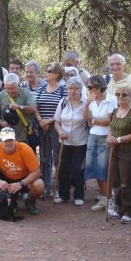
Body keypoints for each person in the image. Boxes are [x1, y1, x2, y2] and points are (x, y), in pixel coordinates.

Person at [0, 127, 45, 214]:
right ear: (1, 141)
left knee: (39, 185)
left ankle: (29, 201)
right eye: (5, 140)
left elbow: (37, 172)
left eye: (11, 140)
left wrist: (21, 183)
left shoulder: (25, 148)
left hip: (24, 178)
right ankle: (4, 198)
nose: (8, 143)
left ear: (15, 139)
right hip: (5, 177)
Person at [106, 86, 131, 223]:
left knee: (126, 182)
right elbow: (111, 128)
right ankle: (119, 207)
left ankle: (130, 210)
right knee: (115, 180)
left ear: (130, 96)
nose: (120, 96)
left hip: (128, 151)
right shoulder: (115, 111)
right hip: (114, 150)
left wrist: (118, 140)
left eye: (124, 94)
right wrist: (109, 137)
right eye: (118, 94)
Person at [83, 75, 117, 211]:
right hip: (93, 135)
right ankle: (104, 196)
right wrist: (86, 105)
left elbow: (109, 120)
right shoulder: (90, 100)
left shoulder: (111, 99)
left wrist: (93, 120)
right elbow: (86, 118)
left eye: (91, 87)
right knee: (94, 168)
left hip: (105, 136)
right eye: (88, 87)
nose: (89, 90)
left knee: (104, 169)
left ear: (99, 87)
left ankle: (110, 199)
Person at [53, 76, 88, 205]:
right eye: (70, 88)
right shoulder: (63, 102)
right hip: (64, 141)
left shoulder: (86, 103)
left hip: (80, 141)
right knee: (63, 168)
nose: (72, 91)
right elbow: (57, 121)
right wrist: (60, 131)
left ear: (80, 89)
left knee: (78, 168)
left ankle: (79, 195)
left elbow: (89, 121)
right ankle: (63, 194)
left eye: (75, 88)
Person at [34, 62, 67, 197]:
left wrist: (49, 120)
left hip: (56, 128)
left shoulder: (62, 90)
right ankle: (46, 187)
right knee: (44, 158)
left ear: (57, 74)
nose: (46, 73)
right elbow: (35, 107)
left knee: (57, 158)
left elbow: (63, 111)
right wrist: (41, 120)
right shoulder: (41, 89)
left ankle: (57, 188)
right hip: (42, 128)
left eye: (49, 71)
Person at [0, 73, 36, 144]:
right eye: (7, 88)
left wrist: (20, 107)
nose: (10, 91)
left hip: (23, 135)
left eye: (12, 88)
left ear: (18, 85)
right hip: (6, 136)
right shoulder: (1, 95)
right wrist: (1, 123)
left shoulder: (26, 93)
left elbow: (33, 109)